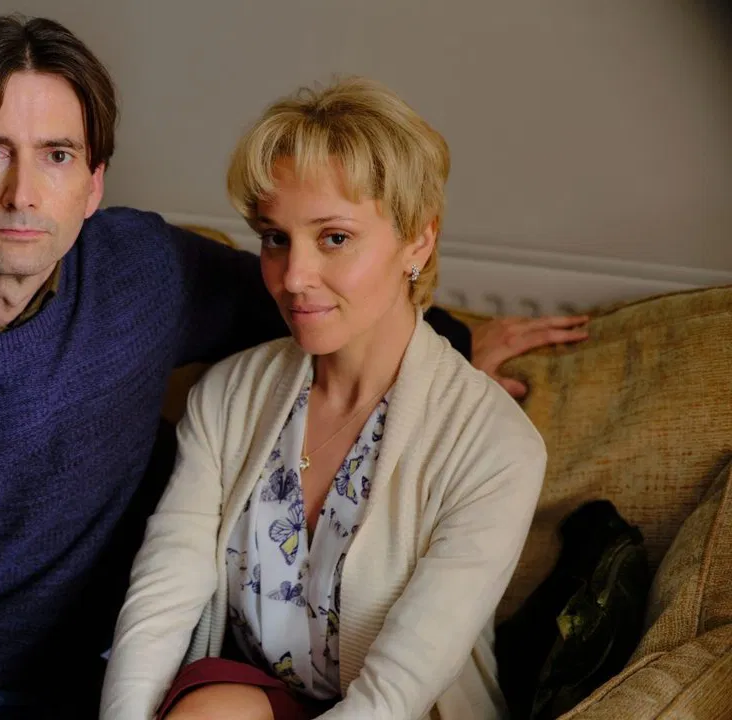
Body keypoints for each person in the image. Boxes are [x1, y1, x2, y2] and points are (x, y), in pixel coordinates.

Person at [0, 15, 581, 720]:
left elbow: (318, 301)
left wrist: (450, 340)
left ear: (93, 183)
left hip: (67, 678)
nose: (23, 193)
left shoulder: (141, 273)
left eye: (57, 156)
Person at [100, 79, 550, 720]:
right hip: (258, 699)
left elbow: (394, 693)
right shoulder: (227, 395)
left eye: (334, 237)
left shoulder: (497, 445)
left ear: (418, 241)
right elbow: (164, 590)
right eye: (275, 238)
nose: (294, 277)